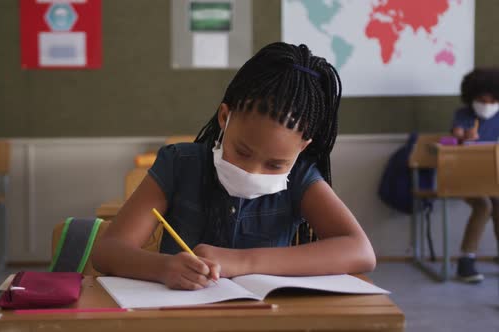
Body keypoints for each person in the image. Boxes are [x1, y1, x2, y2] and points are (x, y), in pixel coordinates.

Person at [93, 42, 376, 290]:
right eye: (242, 151)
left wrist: (242, 261)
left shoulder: (301, 179)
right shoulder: (180, 164)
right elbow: (108, 252)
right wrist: (163, 268)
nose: (252, 171)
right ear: (224, 117)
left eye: (276, 164)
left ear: (302, 147)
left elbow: (361, 251)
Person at [451, 68, 499, 283]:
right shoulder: (463, 115)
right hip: (465, 177)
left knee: (497, 202)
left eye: (492, 99)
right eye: (482, 99)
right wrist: (464, 139)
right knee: (483, 205)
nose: (487, 104)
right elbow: (455, 139)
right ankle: (466, 260)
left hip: (493, 177)